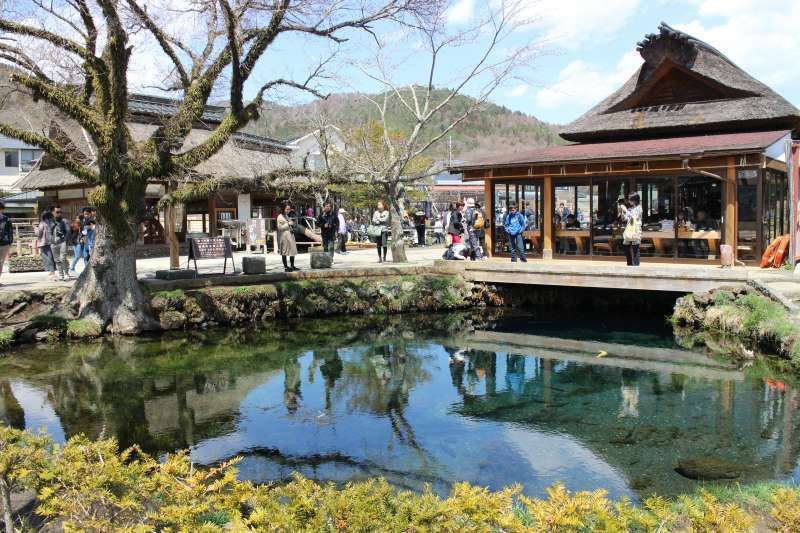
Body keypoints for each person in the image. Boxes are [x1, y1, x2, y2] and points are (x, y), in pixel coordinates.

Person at [277, 201, 299, 272]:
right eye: (287, 209)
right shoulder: (280, 217)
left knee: (292, 250)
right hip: (284, 236)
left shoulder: (286, 216)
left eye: (289, 209)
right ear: (283, 209)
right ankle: (286, 267)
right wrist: (288, 224)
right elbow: (279, 228)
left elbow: (290, 223)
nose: (288, 210)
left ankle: (292, 265)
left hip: (290, 235)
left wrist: (292, 223)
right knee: (285, 251)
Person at [622, 192, 642, 266]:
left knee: (635, 249)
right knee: (626, 248)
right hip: (629, 230)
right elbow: (626, 219)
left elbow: (634, 217)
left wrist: (626, 210)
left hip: (636, 231)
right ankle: (629, 264)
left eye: (630, 199)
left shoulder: (639, 208)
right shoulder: (631, 208)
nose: (629, 201)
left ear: (634, 200)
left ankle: (636, 266)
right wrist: (622, 212)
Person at [50, 206, 70, 280]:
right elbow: (49, 231)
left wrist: (65, 239)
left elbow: (68, 231)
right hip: (53, 243)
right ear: (53, 213)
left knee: (63, 258)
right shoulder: (50, 221)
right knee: (57, 260)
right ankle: (61, 274)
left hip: (62, 242)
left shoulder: (64, 221)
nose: (59, 214)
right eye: (57, 212)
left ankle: (66, 273)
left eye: (60, 212)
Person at [36, 211, 56, 280]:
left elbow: (39, 234)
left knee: (47, 257)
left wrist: (34, 228)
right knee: (51, 256)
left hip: (43, 242)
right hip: (51, 242)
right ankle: (52, 271)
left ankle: (52, 271)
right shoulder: (52, 223)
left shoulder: (42, 223)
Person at [0, 201, 12, 286]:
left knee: (0, 262)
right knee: (0, 262)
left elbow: (10, 231)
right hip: (4, 243)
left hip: (4, 243)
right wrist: (10, 242)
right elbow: (10, 232)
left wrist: (9, 241)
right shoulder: (6, 218)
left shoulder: (6, 219)